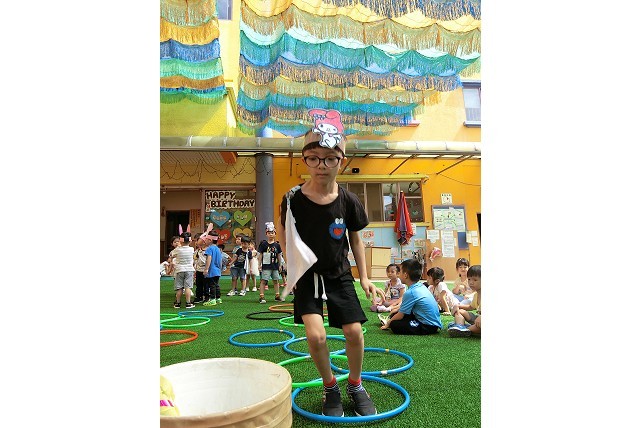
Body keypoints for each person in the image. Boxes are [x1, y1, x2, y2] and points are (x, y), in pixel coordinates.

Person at [276, 125, 378, 418]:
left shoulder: (349, 200)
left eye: (330, 158)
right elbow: (283, 231)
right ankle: (330, 385)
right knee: (316, 336)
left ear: (341, 161)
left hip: (339, 273)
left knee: (354, 332)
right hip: (306, 276)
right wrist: (290, 266)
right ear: (304, 160)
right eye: (314, 158)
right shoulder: (292, 199)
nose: (322, 165)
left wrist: (364, 277)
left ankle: (356, 384)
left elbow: (355, 240)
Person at [380, 259, 441, 335]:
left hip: (428, 326)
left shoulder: (410, 292)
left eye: (400, 272)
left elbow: (401, 315)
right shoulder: (420, 286)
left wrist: (388, 324)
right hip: (428, 320)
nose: (398, 274)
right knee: (395, 314)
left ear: (405, 275)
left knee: (394, 324)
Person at [448, 264, 481, 337]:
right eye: (469, 279)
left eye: (475, 280)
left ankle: (465, 329)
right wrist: (458, 306)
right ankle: (459, 326)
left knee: (477, 327)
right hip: (477, 319)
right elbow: (471, 307)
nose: (471, 282)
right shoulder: (476, 295)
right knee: (459, 311)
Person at [257, 222, 285, 304]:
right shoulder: (263, 244)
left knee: (276, 280)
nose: (271, 234)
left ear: (275, 234)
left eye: (272, 233)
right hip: (266, 266)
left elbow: (279, 255)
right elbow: (260, 255)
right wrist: (259, 264)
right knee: (263, 281)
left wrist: (280, 265)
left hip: (275, 266)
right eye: (269, 233)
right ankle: (261, 296)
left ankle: (277, 295)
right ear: (266, 234)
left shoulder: (277, 245)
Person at [172, 231, 195, 309]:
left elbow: (172, 254)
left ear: (180, 241)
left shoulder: (178, 249)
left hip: (179, 270)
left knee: (179, 288)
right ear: (190, 241)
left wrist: (178, 246)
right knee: (188, 287)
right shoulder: (192, 249)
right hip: (189, 270)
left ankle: (177, 303)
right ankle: (188, 303)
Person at [203, 230, 223, 306]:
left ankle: (212, 299)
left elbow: (209, 259)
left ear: (210, 240)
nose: (205, 241)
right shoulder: (218, 249)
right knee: (216, 284)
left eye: (206, 239)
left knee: (212, 285)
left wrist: (206, 269)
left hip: (212, 270)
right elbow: (220, 260)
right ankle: (218, 298)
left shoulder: (209, 249)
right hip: (217, 270)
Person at [192, 233, 208, 304]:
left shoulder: (207, 251)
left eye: (197, 240)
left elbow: (205, 261)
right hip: (198, 270)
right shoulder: (197, 251)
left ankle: (206, 296)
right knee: (199, 284)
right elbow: (194, 260)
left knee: (206, 284)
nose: (196, 242)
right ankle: (199, 297)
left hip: (205, 270)